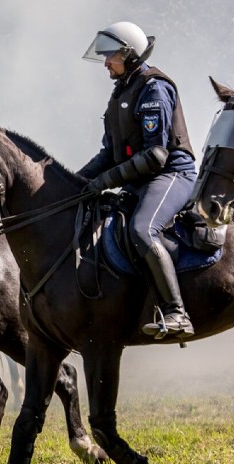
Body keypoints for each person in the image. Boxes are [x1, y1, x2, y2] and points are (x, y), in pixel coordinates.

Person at [79, 21, 197, 339]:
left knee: (142, 230)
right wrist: (75, 183)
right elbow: (109, 155)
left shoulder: (153, 87)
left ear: (129, 55)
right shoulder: (122, 92)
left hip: (172, 174)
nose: (105, 63)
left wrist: (105, 180)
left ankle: (177, 314)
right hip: (142, 180)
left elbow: (156, 156)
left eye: (110, 56)